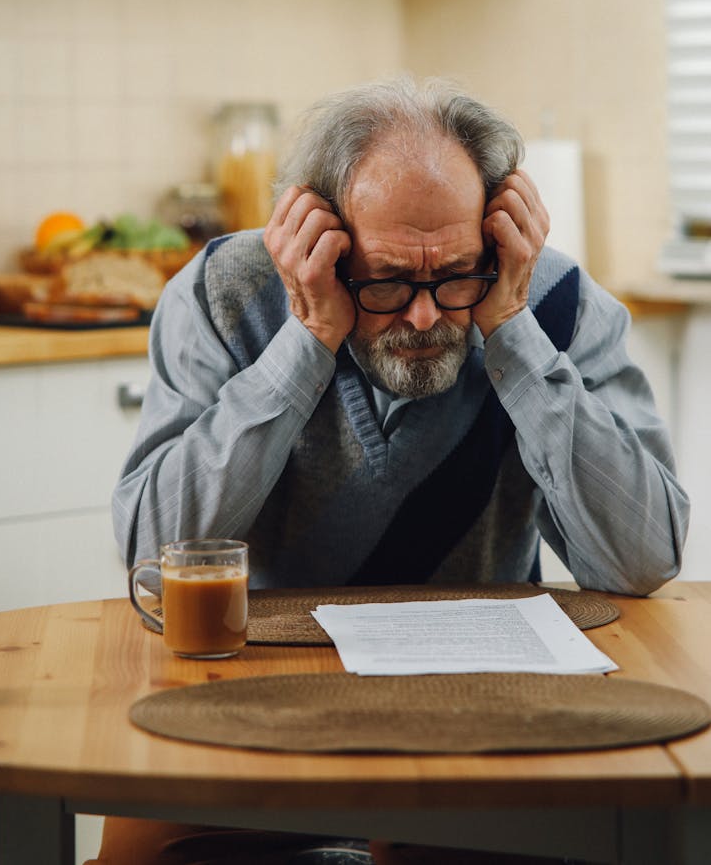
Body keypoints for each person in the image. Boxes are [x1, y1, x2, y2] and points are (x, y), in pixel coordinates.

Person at [96, 77, 689, 865]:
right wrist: (304, 343)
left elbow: (644, 555)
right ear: (323, 240)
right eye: (386, 280)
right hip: (257, 719)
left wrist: (512, 333)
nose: (423, 317)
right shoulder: (223, 295)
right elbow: (152, 550)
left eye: (453, 273)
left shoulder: (550, 302)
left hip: (492, 718)